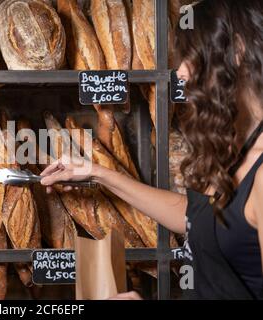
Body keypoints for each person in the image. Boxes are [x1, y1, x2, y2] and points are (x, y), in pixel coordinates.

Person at [40, 0, 263, 300]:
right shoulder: (240, 145)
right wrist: (98, 174)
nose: (180, 73)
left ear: (237, 51)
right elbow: (197, 216)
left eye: (193, 56)